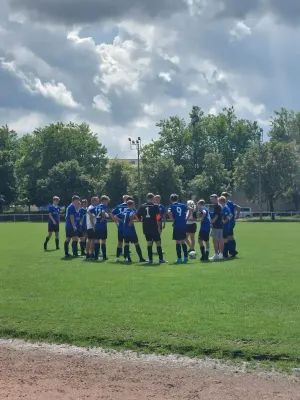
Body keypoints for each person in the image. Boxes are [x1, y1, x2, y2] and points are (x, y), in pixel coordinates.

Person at [137, 193, 167, 264]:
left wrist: (143, 219)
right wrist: (159, 227)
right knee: (158, 243)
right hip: (154, 228)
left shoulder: (142, 206)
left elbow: (138, 217)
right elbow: (158, 218)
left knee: (149, 243)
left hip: (146, 228)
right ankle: (161, 259)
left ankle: (150, 260)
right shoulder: (155, 206)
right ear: (152, 198)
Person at [168, 194, 191, 263]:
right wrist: (187, 218)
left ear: (171, 199)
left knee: (177, 242)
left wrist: (173, 220)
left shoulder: (172, 206)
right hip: (183, 225)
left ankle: (179, 258)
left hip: (177, 225)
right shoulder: (182, 205)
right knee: (183, 241)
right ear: (177, 199)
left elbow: (169, 212)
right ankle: (186, 257)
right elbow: (191, 209)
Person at [110, 195, 133, 260]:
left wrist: (116, 222)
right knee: (126, 242)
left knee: (120, 241)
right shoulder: (129, 206)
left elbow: (111, 214)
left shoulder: (119, 206)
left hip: (120, 226)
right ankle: (126, 256)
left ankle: (118, 256)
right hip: (127, 227)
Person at [88, 195, 110, 261]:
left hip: (97, 226)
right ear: (103, 201)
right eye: (107, 201)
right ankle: (104, 256)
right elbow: (103, 212)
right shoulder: (104, 206)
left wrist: (93, 216)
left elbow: (88, 211)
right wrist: (103, 217)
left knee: (97, 240)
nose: (107, 203)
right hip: (102, 226)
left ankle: (96, 256)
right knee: (103, 241)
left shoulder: (96, 206)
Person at [221, 192, 240, 257]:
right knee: (229, 237)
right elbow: (238, 208)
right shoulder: (226, 203)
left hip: (229, 223)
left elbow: (238, 208)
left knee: (228, 237)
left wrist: (237, 216)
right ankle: (232, 251)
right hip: (229, 222)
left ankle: (231, 251)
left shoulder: (229, 203)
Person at [209, 194, 224, 261]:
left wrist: (212, 222)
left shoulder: (217, 206)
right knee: (220, 240)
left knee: (215, 240)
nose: (211, 200)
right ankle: (220, 254)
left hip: (217, 225)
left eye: (212, 199)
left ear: (216, 198)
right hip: (220, 225)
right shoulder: (219, 206)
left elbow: (217, 216)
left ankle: (216, 254)